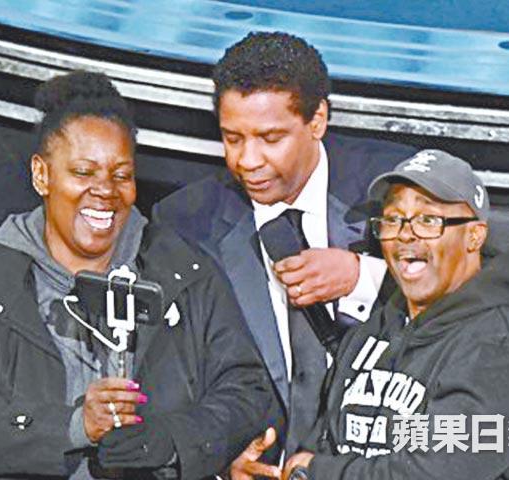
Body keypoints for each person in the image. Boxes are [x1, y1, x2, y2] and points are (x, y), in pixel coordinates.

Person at [0, 71, 271, 480]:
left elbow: (247, 390)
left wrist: (172, 439)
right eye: (83, 172)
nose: (105, 190)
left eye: (121, 175)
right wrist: (75, 426)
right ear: (42, 175)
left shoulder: (185, 272)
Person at [152, 31, 416, 476]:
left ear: (317, 120)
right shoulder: (186, 222)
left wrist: (364, 277)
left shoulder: (394, 187)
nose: (247, 160)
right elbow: (177, 378)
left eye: (270, 138)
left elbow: (486, 292)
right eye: (232, 138)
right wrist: (219, 462)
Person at [282, 149, 509, 479]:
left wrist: (315, 472)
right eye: (393, 219)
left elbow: (433, 473)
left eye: (428, 220)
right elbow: (321, 443)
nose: (405, 233)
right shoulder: (372, 331)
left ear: (474, 236)